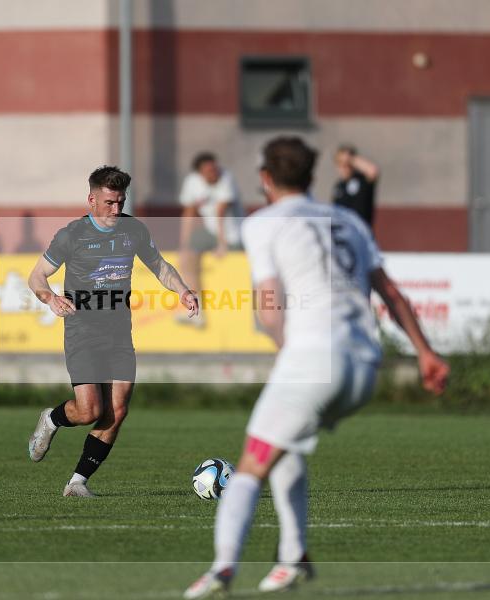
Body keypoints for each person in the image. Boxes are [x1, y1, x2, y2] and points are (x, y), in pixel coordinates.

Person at [184, 137, 448, 598]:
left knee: (250, 464)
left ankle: (222, 569)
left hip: (314, 358)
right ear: (311, 178)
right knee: (287, 448)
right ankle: (293, 557)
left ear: (266, 179)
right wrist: (426, 353)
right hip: (365, 364)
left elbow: (268, 308)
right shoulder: (348, 220)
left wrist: (287, 349)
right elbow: (391, 292)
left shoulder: (263, 224)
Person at [27, 166, 199, 497]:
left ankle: (77, 482)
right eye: (109, 202)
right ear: (92, 199)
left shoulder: (132, 229)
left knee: (117, 411)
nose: (116, 210)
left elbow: (160, 265)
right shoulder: (72, 235)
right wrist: (50, 298)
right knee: (90, 410)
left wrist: (183, 290)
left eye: (120, 202)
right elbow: (37, 276)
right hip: (82, 330)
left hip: (119, 332)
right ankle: (51, 420)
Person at [177, 152, 244, 327]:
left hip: (232, 234)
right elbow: (189, 213)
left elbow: (220, 213)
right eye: (208, 171)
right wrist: (184, 245)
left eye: (215, 169)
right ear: (199, 173)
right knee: (187, 258)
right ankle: (194, 308)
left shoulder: (226, 179)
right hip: (210, 231)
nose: (213, 173)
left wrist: (222, 245)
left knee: (237, 268)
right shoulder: (192, 182)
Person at [332, 145, 379, 228]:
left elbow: (373, 171)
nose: (344, 167)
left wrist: (352, 159)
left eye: (347, 164)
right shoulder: (339, 186)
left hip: (361, 231)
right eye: (340, 163)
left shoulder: (361, 180)